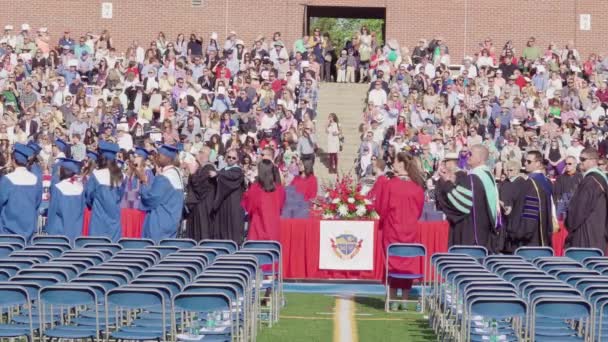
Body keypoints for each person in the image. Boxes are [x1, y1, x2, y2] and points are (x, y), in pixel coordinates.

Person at [375, 152, 424, 311]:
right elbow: (418, 211)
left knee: (392, 261)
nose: (393, 164)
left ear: (401, 164)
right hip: (410, 230)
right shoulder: (417, 187)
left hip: (392, 228)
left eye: (395, 161)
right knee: (407, 261)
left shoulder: (390, 185)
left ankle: (393, 299)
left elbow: (381, 208)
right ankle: (404, 299)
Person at [436, 144, 502, 253]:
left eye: (471, 154)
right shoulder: (487, 175)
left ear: (480, 158)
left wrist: (447, 183)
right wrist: (453, 181)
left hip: (471, 235)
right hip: (485, 232)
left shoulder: (473, 178)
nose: (467, 156)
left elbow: (461, 205)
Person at [137, 144, 185, 242]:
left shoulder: (165, 177)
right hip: (171, 221)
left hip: (160, 223)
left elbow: (150, 199)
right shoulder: (176, 173)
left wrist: (144, 182)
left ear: (168, 158)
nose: (156, 157)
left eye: (159, 155)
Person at [565, 147, 608, 251]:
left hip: (586, 234)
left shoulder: (591, 181)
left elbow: (580, 209)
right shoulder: (600, 179)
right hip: (598, 232)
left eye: (583, 159)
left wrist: (570, 225)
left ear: (593, 160)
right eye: (580, 159)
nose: (581, 162)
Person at [0, 143, 42, 241]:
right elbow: (37, 202)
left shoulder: (7, 179)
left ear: (13, 161)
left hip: (8, 228)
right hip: (29, 228)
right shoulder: (35, 179)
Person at [84, 140, 124, 242]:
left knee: (97, 247)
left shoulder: (97, 174)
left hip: (98, 217)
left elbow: (88, 196)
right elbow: (120, 197)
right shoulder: (120, 176)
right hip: (114, 217)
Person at [242, 159, 285, 241]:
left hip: (257, 229)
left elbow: (248, 207)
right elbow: (281, 207)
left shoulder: (255, 188)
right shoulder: (280, 190)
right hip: (274, 229)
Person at [434, 152, 470, 246]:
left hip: (457, 217)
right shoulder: (445, 177)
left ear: (451, 163)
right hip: (448, 216)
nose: (444, 165)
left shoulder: (462, 176)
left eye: (446, 162)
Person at [45, 158, 85, 242]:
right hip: (76, 230)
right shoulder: (80, 187)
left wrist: (48, 229)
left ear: (64, 171)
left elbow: (53, 210)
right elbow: (82, 211)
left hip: (60, 230)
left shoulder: (58, 187)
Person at [213, 148, 245, 243]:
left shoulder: (238, 171)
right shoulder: (223, 170)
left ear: (237, 159)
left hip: (234, 204)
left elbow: (231, 177)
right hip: (223, 203)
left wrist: (218, 174)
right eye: (229, 157)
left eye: (233, 158)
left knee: (233, 227)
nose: (231, 159)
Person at [185, 145, 217, 241]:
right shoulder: (200, 169)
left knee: (203, 236)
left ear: (204, 155)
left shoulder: (209, 168)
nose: (197, 154)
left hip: (204, 208)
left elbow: (200, 189)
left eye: (200, 152)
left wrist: (192, 174)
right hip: (196, 208)